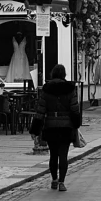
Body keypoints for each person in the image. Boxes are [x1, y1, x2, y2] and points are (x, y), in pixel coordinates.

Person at [37, 63, 82, 191]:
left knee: (53, 155)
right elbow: (75, 109)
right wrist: (76, 123)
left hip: (50, 125)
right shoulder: (70, 89)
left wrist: (36, 128)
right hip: (66, 126)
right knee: (63, 155)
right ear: (64, 74)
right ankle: (62, 182)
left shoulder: (46, 89)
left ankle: (54, 179)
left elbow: (40, 110)